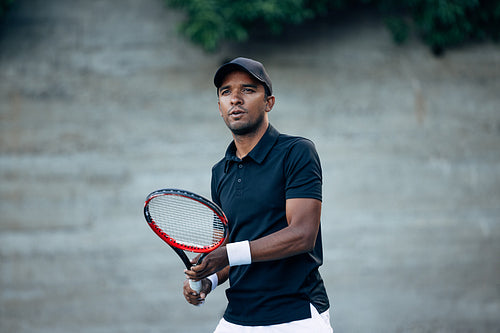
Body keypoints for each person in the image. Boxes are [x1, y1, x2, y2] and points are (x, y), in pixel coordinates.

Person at [183, 57, 332, 332]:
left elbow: (302, 234)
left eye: (248, 90)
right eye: (226, 92)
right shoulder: (220, 171)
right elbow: (231, 249)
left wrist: (226, 254)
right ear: (219, 107)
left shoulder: (296, 152)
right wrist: (210, 280)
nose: (235, 99)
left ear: (269, 102)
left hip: (296, 316)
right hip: (237, 318)